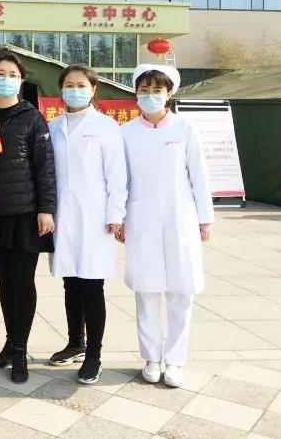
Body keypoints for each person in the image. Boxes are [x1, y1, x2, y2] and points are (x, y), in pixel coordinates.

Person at [117, 64, 213, 388]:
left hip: (180, 219)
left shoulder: (185, 129)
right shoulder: (126, 132)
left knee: (181, 292)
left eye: (157, 90)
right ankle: (151, 358)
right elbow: (120, 180)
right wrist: (118, 217)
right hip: (141, 219)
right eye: (144, 90)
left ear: (169, 94)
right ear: (135, 94)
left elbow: (199, 175)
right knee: (146, 291)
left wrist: (205, 218)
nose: (150, 96)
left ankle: (174, 360)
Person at [0, 51, 57, 384]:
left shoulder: (33, 119)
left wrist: (46, 209)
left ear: (21, 81)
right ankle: (10, 342)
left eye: (12, 74)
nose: (5, 79)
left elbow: (45, 167)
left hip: (25, 216)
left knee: (22, 282)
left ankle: (20, 351)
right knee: (4, 281)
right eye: (0, 74)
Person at [47, 65, 127, 385]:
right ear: (61, 90)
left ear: (93, 90)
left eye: (81, 85)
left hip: (95, 219)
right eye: (69, 85)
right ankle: (75, 342)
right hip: (62, 217)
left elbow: (117, 176)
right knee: (70, 282)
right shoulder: (53, 126)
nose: (75, 90)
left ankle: (94, 355)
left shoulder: (106, 127)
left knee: (92, 286)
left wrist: (115, 215)